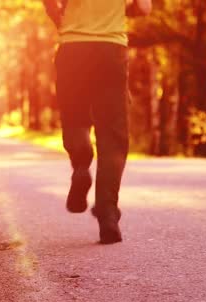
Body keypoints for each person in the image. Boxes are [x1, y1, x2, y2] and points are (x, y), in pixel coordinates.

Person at [43, 0, 151, 244]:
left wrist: (60, 19)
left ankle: (81, 166)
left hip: (72, 49)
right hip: (111, 49)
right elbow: (143, 8)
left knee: (74, 116)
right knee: (113, 135)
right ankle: (108, 212)